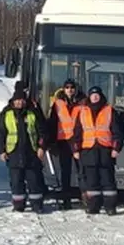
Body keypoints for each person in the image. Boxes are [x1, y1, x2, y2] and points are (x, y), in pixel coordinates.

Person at [71, 86, 123, 215]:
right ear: (89, 97)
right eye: (92, 95)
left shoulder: (109, 110)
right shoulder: (83, 111)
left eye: (97, 95)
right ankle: (93, 206)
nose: (95, 97)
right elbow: (77, 132)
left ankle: (110, 207)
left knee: (108, 181)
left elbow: (117, 132)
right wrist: (75, 149)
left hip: (105, 150)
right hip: (88, 151)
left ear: (101, 96)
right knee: (91, 182)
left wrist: (116, 148)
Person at [0, 87, 47, 213]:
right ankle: (19, 205)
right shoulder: (6, 113)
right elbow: (1, 133)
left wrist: (42, 147)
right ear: (13, 101)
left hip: (31, 153)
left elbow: (42, 131)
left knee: (34, 180)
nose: (19, 102)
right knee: (16, 181)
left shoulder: (32, 112)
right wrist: (1, 150)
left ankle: (37, 205)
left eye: (22, 100)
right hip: (13, 152)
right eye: (17, 100)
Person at [46, 78, 86, 210]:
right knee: (65, 172)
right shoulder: (58, 104)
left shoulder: (82, 103)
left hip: (78, 141)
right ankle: (66, 199)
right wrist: (52, 143)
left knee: (82, 171)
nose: (70, 90)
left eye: (72, 87)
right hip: (63, 142)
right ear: (64, 89)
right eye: (67, 87)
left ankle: (85, 197)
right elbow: (52, 123)